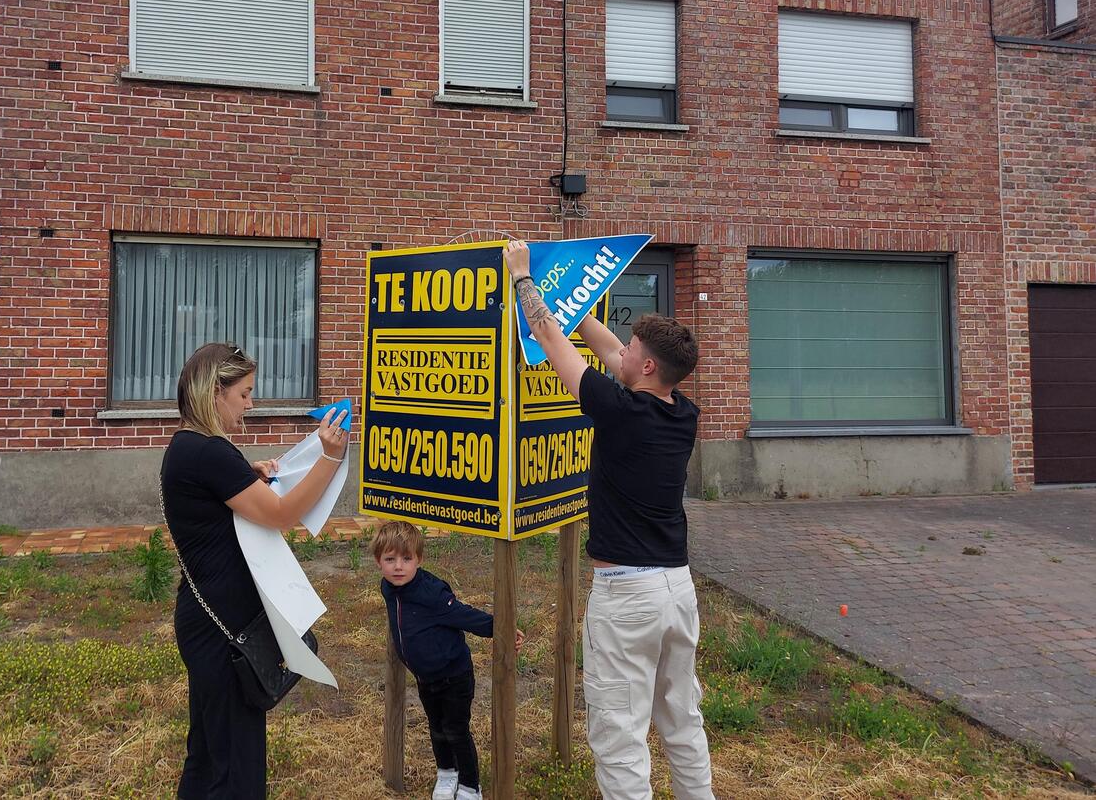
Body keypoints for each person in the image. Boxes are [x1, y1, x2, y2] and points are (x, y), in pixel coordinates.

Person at [503, 240, 714, 800]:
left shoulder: (619, 412)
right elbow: (610, 349)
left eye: (632, 351)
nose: (620, 353)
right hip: (676, 589)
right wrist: (571, 303)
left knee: (620, 737)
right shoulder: (681, 412)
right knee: (682, 719)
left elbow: (551, 342)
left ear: (647, 367)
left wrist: (523, 279)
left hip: (627, 599)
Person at [161, 341, 349, 798]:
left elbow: (214, 495)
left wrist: (247, 474)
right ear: (215, 392)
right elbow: (282, 514)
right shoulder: (211, 454)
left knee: (209, 753)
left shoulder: (188, 447)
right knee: (235, 767)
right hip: (224, 632)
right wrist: (329, 458)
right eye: (244, 394)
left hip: (208, 622)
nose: (250, 404)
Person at [371, 520, 524, 800]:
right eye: (390, 560)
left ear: (419, 560)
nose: (398, 567)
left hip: (454, 676)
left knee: (456, 731)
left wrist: (502, 629)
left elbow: (464, 616)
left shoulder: (432, 594)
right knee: (437, 728)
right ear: (378, 561)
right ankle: (447, 773)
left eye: (407, 559)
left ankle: (470, 786)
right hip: (425, 678)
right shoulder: (388, 588)